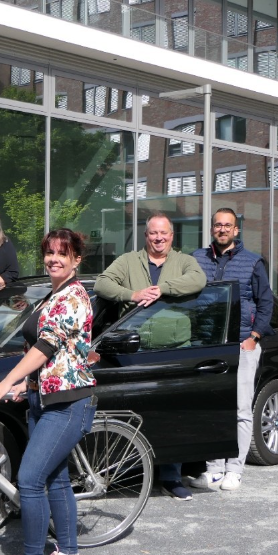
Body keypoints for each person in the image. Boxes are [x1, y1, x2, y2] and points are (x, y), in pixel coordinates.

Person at [0, 228, 97, 555]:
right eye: (49, 253)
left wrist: (4, 381)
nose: (54, 259)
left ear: (77, 259)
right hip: (44, 400)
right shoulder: (53, 296)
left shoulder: (73, 298)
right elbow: (51, 357)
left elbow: (45, 348)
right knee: (56, 480)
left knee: (30, 480)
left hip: (68, 404)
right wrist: (22, 386)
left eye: (63, 253)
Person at [94, 212, 206, 501]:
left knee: (172, 414)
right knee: (136, 413)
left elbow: (198, 280)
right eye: (153, 233)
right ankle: (131, 473)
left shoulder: (184, 262)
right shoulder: (129, 261)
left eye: (164, 234)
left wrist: (163, 290)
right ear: (146, 236)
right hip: (135, 350)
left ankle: (171, 477)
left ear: (172, 236)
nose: (159, 238)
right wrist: (133, 294)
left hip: (174, 352)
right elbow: (102, 284)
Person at [188, 207, 273, 492]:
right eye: (218, 225)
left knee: (240, 410)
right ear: (212, 229)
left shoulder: (252, 262)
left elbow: (265, 302)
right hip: (209, 345)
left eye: (228, 226)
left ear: (236, 230)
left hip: (241, 345)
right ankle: (213, 470)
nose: (222, 229)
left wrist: (254, 336)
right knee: (213, 407)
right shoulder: (197, 259)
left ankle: (235, 470)